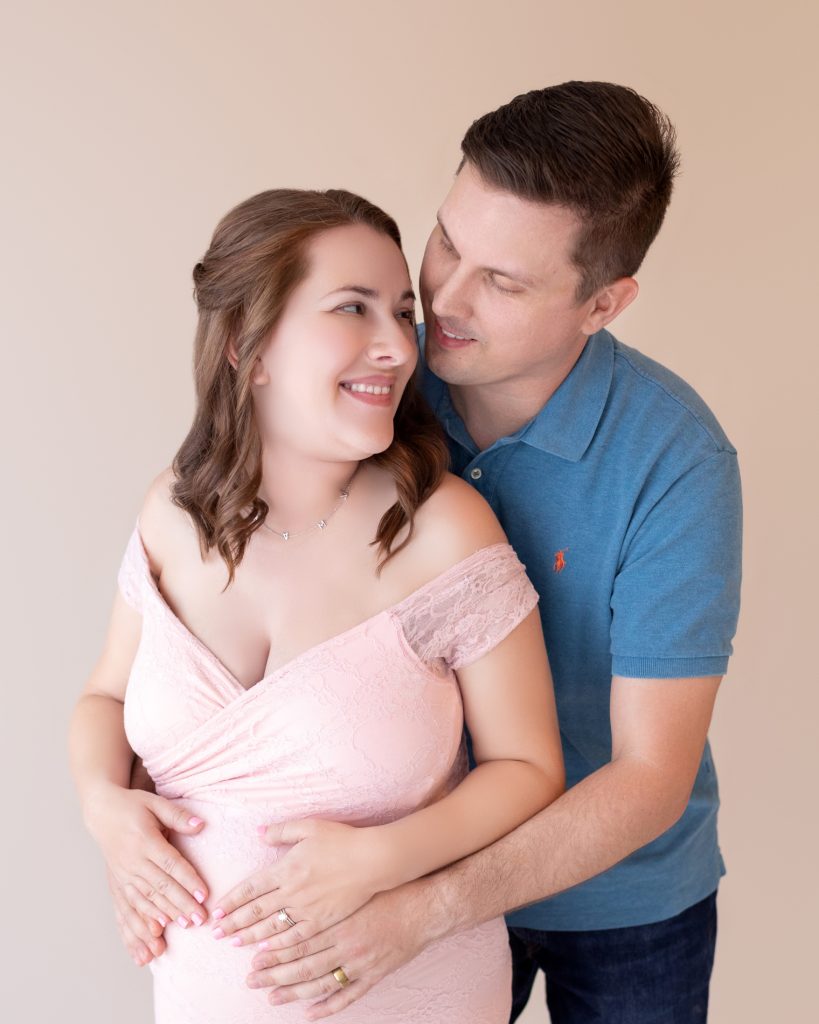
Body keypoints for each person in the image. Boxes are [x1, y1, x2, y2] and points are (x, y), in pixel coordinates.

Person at [156, 82, 737, 1022]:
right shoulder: (373, 377)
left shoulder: (677, 462)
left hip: (619, 899)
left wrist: (430, 908)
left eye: (503, 282)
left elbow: (648, 776)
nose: (443, 300)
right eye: (448, 243)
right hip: (398, 870)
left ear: (606, 302)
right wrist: (120, 816)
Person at [69, 188, 566, 1023]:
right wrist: (104, 809)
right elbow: (106, 698)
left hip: (409, 991)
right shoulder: (173, 510)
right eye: (352, 308)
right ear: (247, 346)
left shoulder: (443, 529)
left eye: (400, 311)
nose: (397, 346)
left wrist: (378, 859)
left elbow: (528, 770)